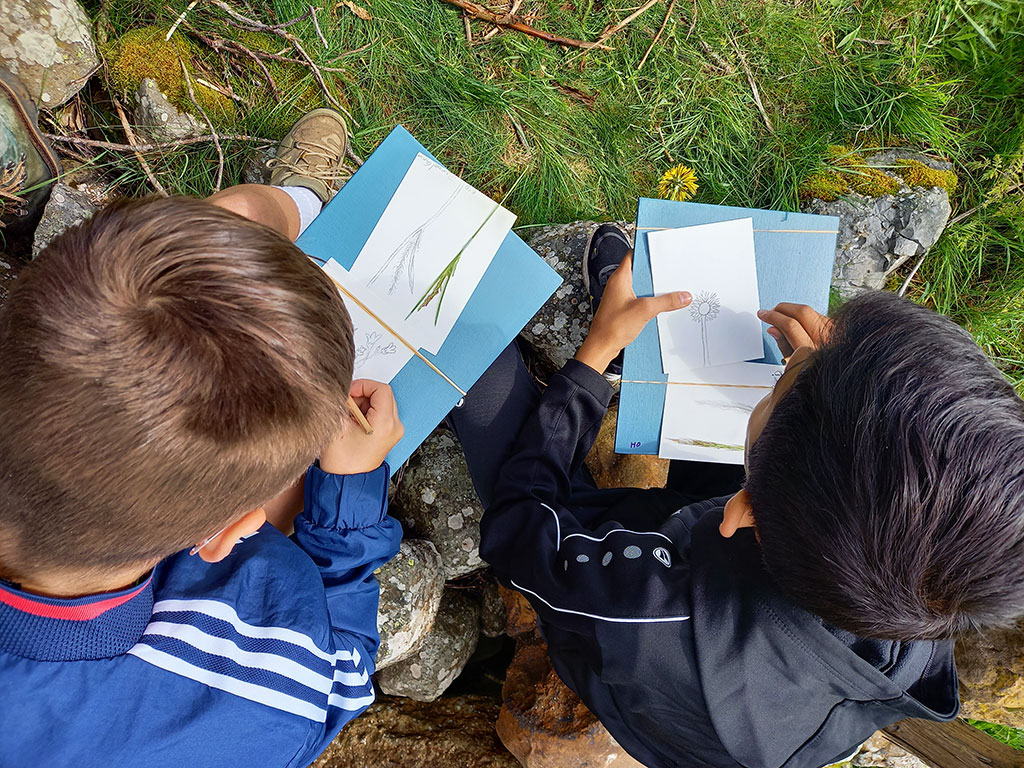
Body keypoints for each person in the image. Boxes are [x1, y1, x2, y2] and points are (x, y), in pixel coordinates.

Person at [450, 224, 1024, 768]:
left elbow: (517, 531)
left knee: (474, 365)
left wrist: (592, 361)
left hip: (633, 654)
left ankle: (614, 336)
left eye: (784, 383)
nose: (802, 354)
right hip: (760, 609)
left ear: (742, 508)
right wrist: (841, 374)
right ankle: (658, 341)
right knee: (740, 403)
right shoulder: (934, 580)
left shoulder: (642, 603)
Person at [0, 108, 406, 767]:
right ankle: (290, 204)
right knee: (229, 226)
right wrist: (349, 496)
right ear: (227, 534)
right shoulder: (261, 700)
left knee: (189, 275)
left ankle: (273, 211)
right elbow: (342, 669)